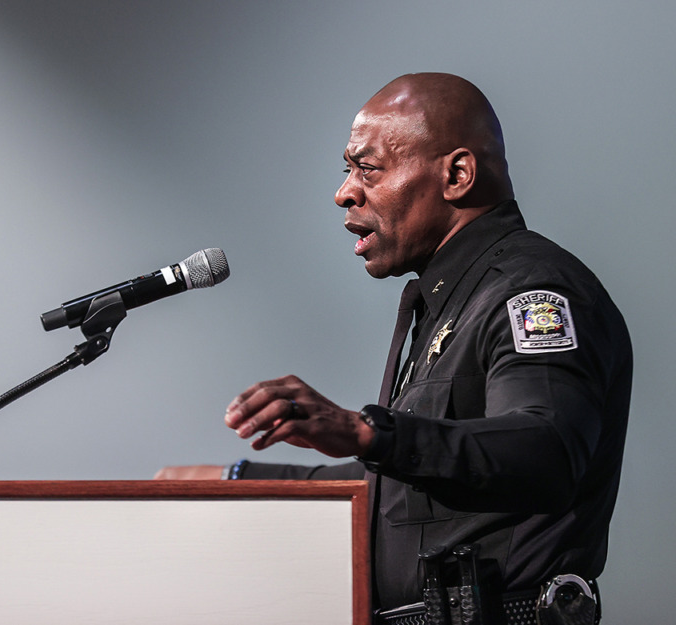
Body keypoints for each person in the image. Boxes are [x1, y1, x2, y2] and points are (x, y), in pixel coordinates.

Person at [156, 73, 631, 623]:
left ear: (456, 175)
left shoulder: (528, 291)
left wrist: (368, 431)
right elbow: (396, 491)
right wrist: (236, 482)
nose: (344, 191)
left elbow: (546, 450)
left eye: (368, 168)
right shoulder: (448, 300)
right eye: (347, 169)